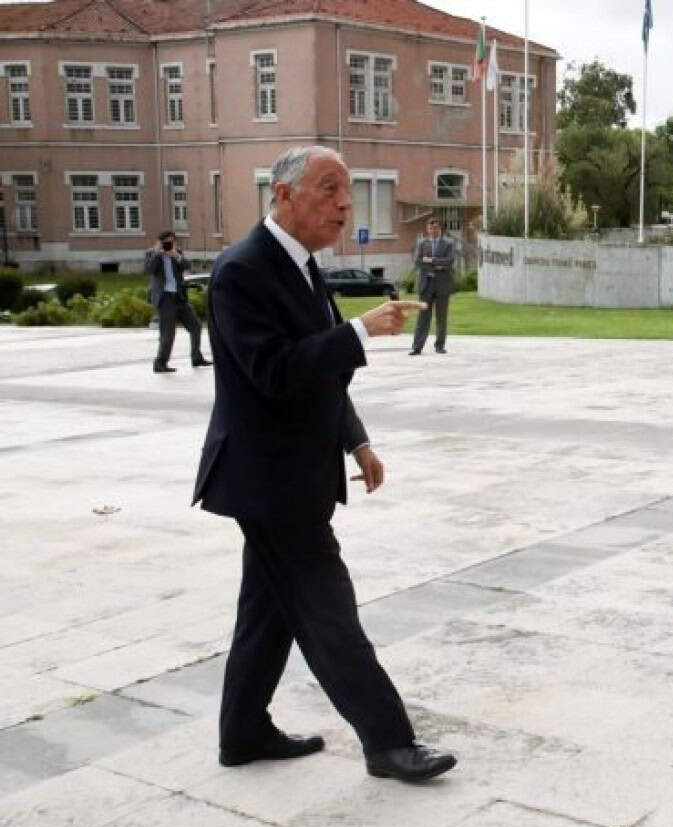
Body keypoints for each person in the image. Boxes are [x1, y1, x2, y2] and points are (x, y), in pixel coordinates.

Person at [193, 145, 457, 783]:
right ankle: (389, 743)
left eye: (347, 192)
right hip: (268, 482)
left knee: (268, 611)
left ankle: (242, 732)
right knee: (327, 610)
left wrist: (356, 442)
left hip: (295, 474)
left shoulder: (301, 266)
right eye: (331, 189)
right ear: (281, 196)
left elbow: (321, 375)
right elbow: (277, 371)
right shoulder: (239, 272)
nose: (345, 204)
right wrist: (361, 333)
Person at [145, 230, 210, 373]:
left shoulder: (176, 252)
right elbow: (149, 270)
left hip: (179, 297)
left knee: (196, 326)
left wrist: (177, 256)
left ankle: (196, 357)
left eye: (172, 241)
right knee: (168, 333)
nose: (169, 245)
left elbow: (187, 266)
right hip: (165, 298)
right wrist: (157, 253)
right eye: (166, 242)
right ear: (160, 242)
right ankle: (160, 363)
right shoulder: (152, 254)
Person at [409, 216, 459, 355]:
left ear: (440, 228)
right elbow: (418, 261)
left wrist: (431, 260)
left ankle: (440, 345)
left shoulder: (448, 243)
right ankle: (417, 347)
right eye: (431, 228)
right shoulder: (421, 243)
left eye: (436, 227)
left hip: (442, 285)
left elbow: (449, 261)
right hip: (426, 285)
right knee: (423, 318)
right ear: (427, 229)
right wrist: (437, 266)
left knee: (441, 317)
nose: (433, 230)